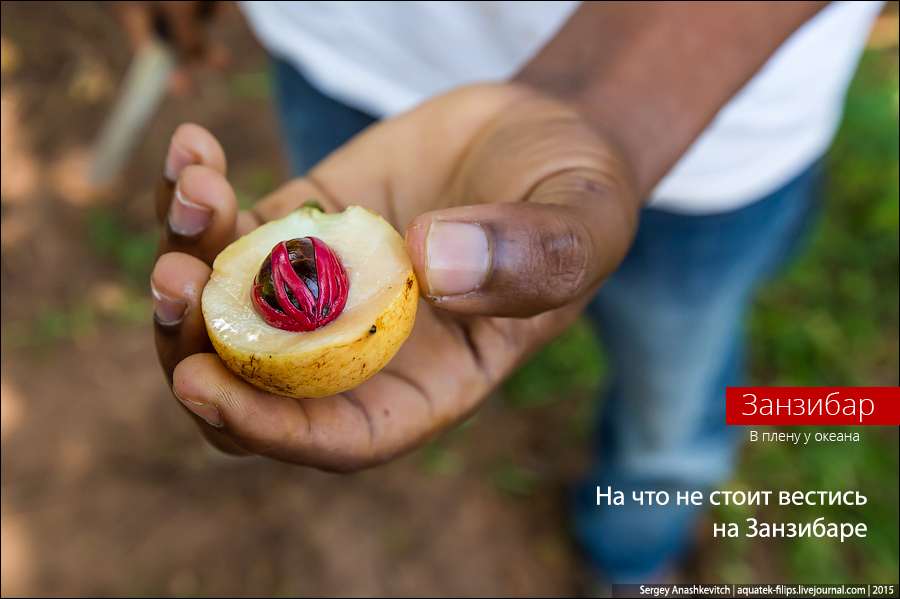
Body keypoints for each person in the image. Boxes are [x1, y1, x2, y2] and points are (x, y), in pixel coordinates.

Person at [141, 0, 884, 585]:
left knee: (675, 383)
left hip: (713, 128)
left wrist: (617, 106)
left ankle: (637, 539)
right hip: (342, 54)